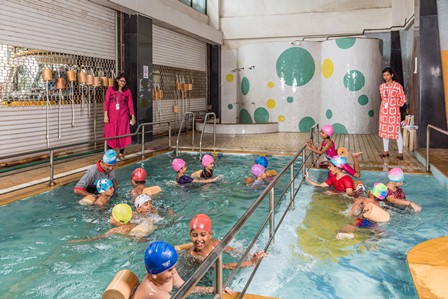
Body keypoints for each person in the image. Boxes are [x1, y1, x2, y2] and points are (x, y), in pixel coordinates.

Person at [133, 241, 233, 299]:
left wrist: (212, 289)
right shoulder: (155, 293)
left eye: (174, 267)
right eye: (170, 270)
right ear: (155, 274)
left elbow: (185, 288)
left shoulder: (168, 273)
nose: (174, 271)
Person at [181, 214, 266, 270]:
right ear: (190, 235)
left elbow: (233, 251)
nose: (199, 239)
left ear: (210, 234)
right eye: (195, 235)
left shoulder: (214, 243)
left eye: (203, 235)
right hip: (197, 276)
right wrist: (250, 262)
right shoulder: (196, 256)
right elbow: (222, 266)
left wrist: (251, 256)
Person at [104, 73, 136, 161]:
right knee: (111, 134)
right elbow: (106, 102)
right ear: (117, 80)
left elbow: (130, 104)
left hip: (123, 117)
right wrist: (105, 115)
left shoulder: (127, 91)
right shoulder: (110, 89)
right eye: (121, 81)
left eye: (125, 81)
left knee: (122, 134)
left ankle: (121, 153)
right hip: (111, 116)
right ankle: (109, 155)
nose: (123, 83)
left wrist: (132, 116)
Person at [378, 67, 406, 160]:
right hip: (384, 113)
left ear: (392, 75)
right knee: (384, 133)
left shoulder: (398, 86)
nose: (385, 77)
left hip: (394, 113)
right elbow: (383, 99)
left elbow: (403, 99)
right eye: (384, 75)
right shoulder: (381, 87)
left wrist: (395, 104)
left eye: (387, 75)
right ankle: (385, 152)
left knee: (397, 132)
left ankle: (400, 153)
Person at [70, 204, 136, 242]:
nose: (110, 217)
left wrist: (79, 241)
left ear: (117, 219)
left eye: (112, 216)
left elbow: (97, 238)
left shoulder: (115, 230)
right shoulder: (134, 225)